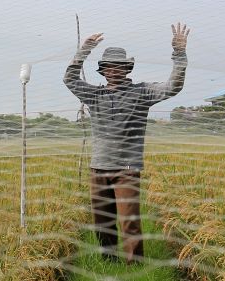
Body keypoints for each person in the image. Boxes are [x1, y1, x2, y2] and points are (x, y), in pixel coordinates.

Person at [64, 23, 189, 263]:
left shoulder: (142, 93)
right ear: (103, 70)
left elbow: (173, 87)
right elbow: (69, 79)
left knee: (129, 220)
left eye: (119, 66)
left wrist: (179, 54)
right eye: (109, 67)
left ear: (127, 68)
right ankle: (108, 263)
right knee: (102, 221)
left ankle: (134, 265)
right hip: (98, 167)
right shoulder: (95, 95)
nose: (114, 70)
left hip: (126, 169)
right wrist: (84, 51)